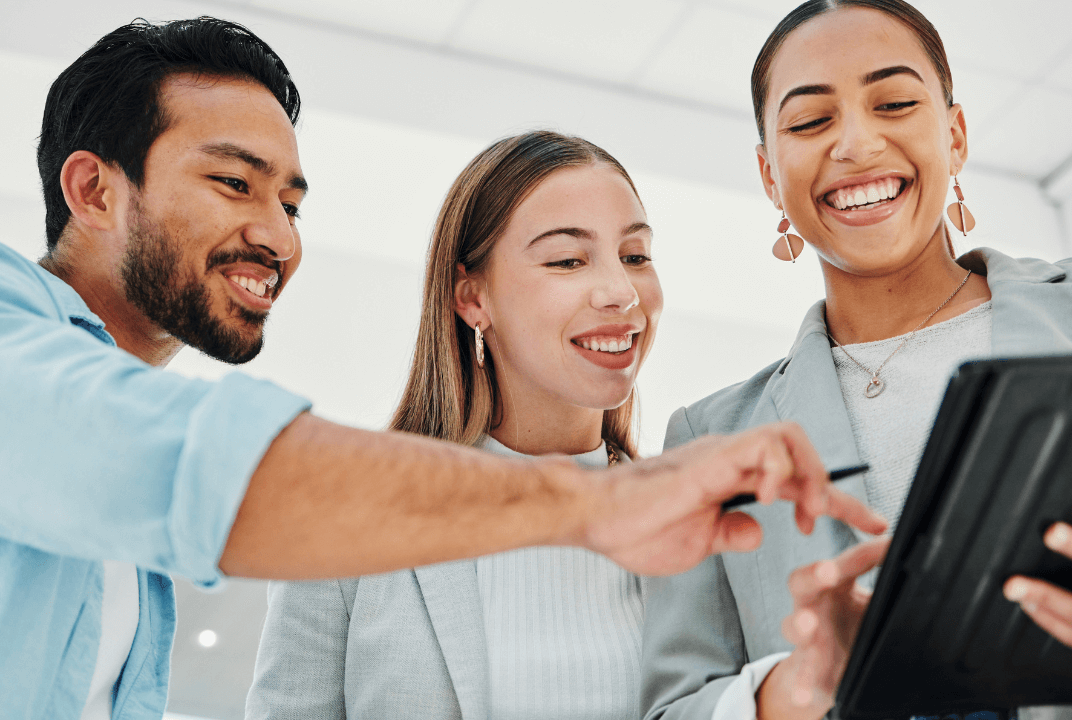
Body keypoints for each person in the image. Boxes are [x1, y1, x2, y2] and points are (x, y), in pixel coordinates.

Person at [0, 17, 883, 720]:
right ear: (95, 187)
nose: (279, 235)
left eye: (292, 199)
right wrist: (596, 506)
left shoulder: (126, 559)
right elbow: (160, 466)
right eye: (234, 183)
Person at [640, 2, 1072, 720]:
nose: (855, 142)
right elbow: (674, 706)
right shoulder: (711, 442)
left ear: (955, 133)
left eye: (897, 102)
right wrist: (795, 691)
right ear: (768, 174)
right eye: (811, 121)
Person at [249, 131, 826, 720]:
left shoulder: (700, 526)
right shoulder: (350, 518)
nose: (621, 293)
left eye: (635, 256)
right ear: (472, 297)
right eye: (567, 261)